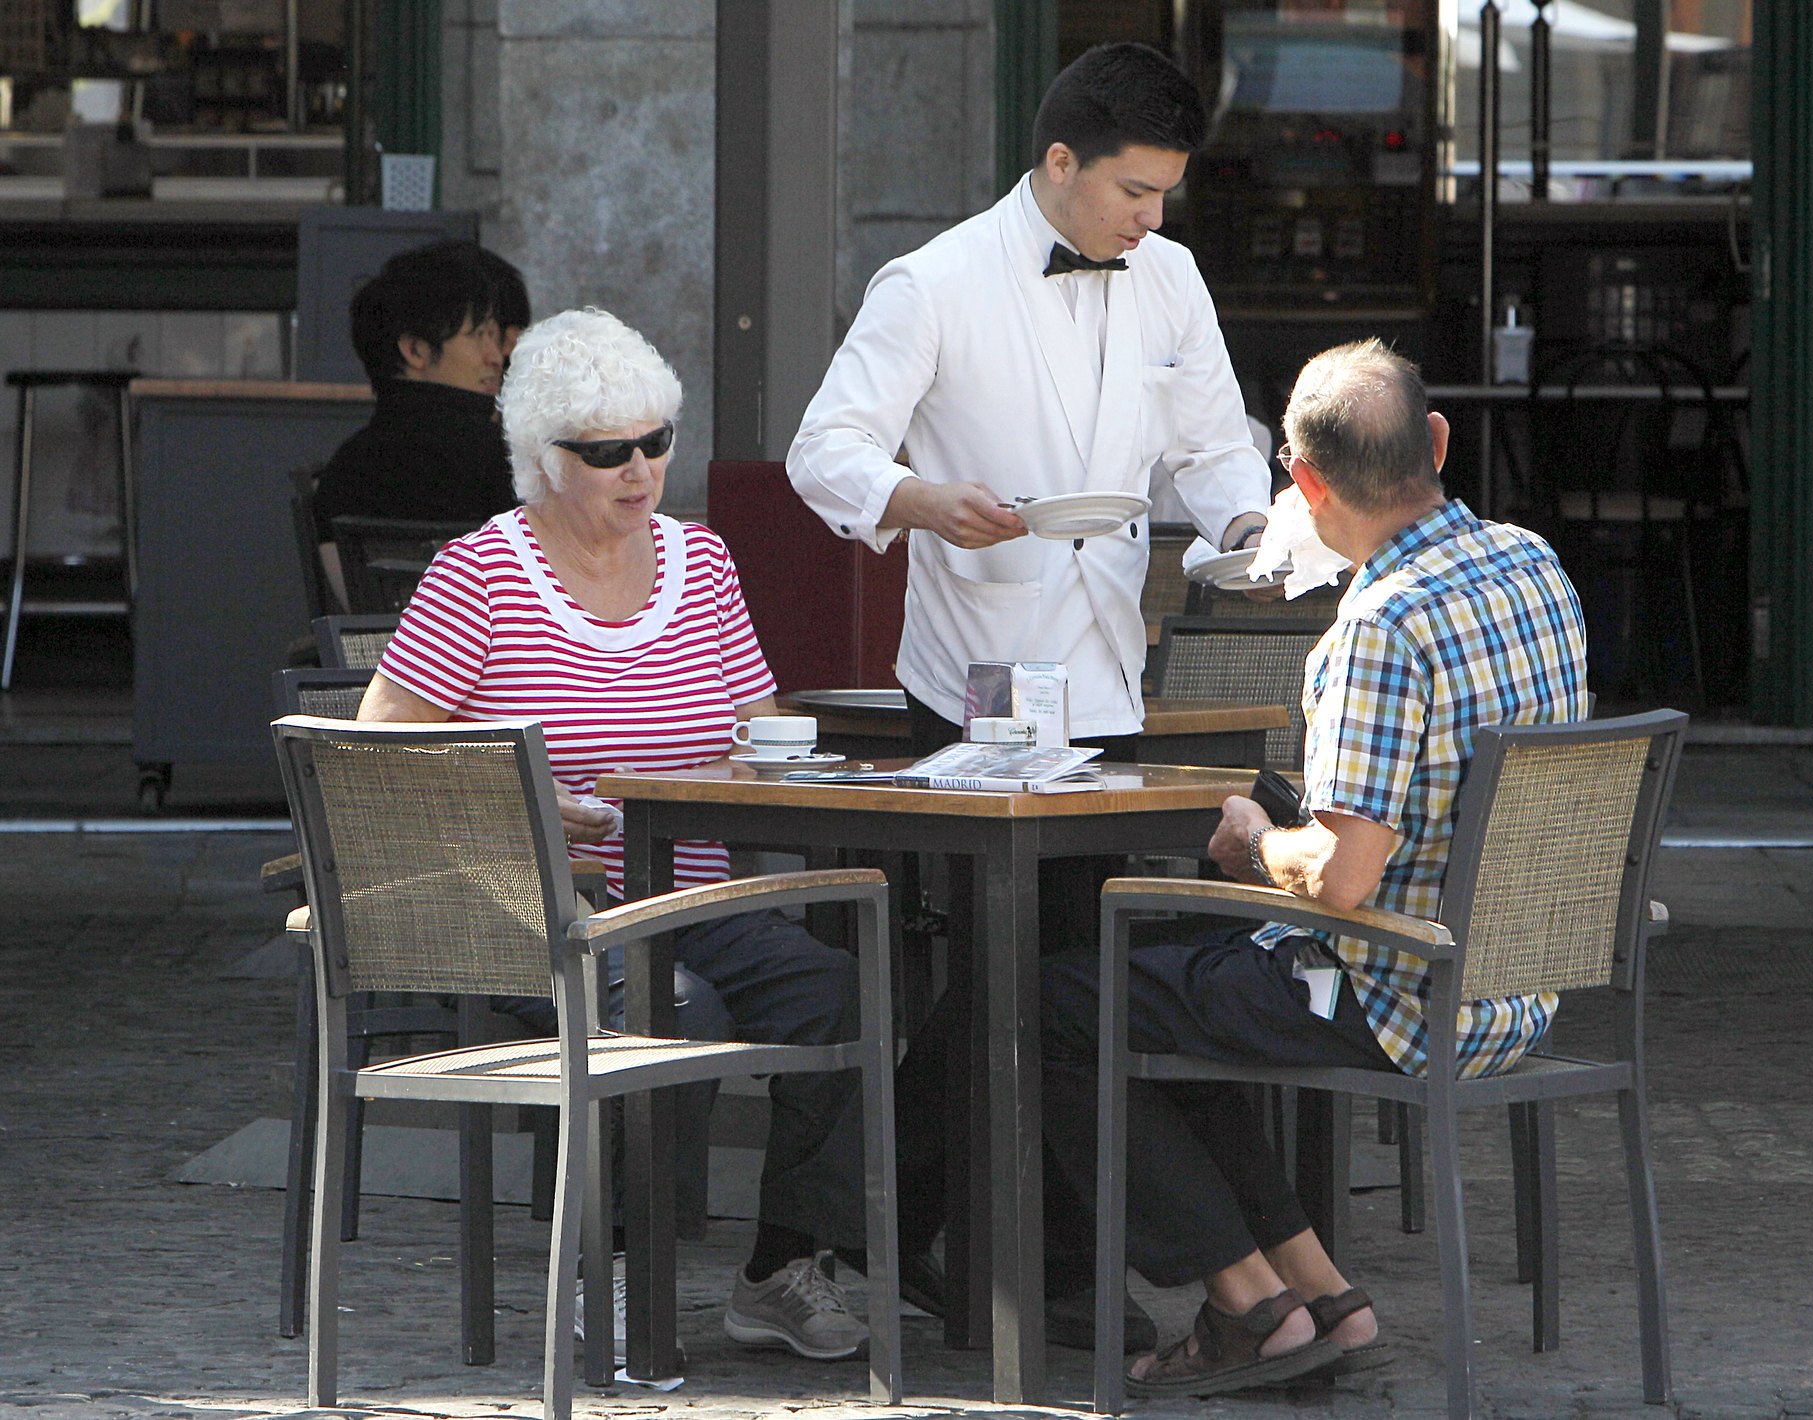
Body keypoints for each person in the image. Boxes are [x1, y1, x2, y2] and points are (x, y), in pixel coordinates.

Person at [785, 41, 1279, 1346]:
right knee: (1031, 977)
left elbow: (1212, 448)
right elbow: (822, 449)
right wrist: (920, 501)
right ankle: (1028, 1270)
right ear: (1057, 164)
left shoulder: (1167, 278)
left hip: (1108, 681)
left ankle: (965, 1247)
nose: (1151, 217)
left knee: (1067, 975)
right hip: (973, 691)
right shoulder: (933, 281)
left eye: (1165, 193)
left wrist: (1246, 535)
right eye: (1132, 189)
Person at [1035, 338, 1591, 1396]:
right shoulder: (1532, 562)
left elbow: (1339, 881)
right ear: (1435, 438)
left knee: (1062, 996)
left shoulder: (1376, 625)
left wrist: (1247, 837)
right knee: (1168, 979)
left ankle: (1246, 1305)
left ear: (1302, 481)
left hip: (1399, 994)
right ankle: (1316, 1286)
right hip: (1516, 982)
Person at [355, 307, 872, 1366]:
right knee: (668, 1007)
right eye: (606, 453)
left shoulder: (703, 559)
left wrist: (803, 756)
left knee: (846, 988)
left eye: (656, 441)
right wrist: (532, 804)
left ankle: (779, 1266)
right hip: (540, 904)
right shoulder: (481, 573)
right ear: (543, 459)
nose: (641, 470)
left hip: (694, 889)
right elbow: (378, 761)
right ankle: (615, 1273)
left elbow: (753, 726)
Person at [308, 241, 528, 549]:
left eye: (494, 336)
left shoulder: (342, 471)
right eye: (479, 336)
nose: (495, 357)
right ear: (416, 350)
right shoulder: (508, 462)